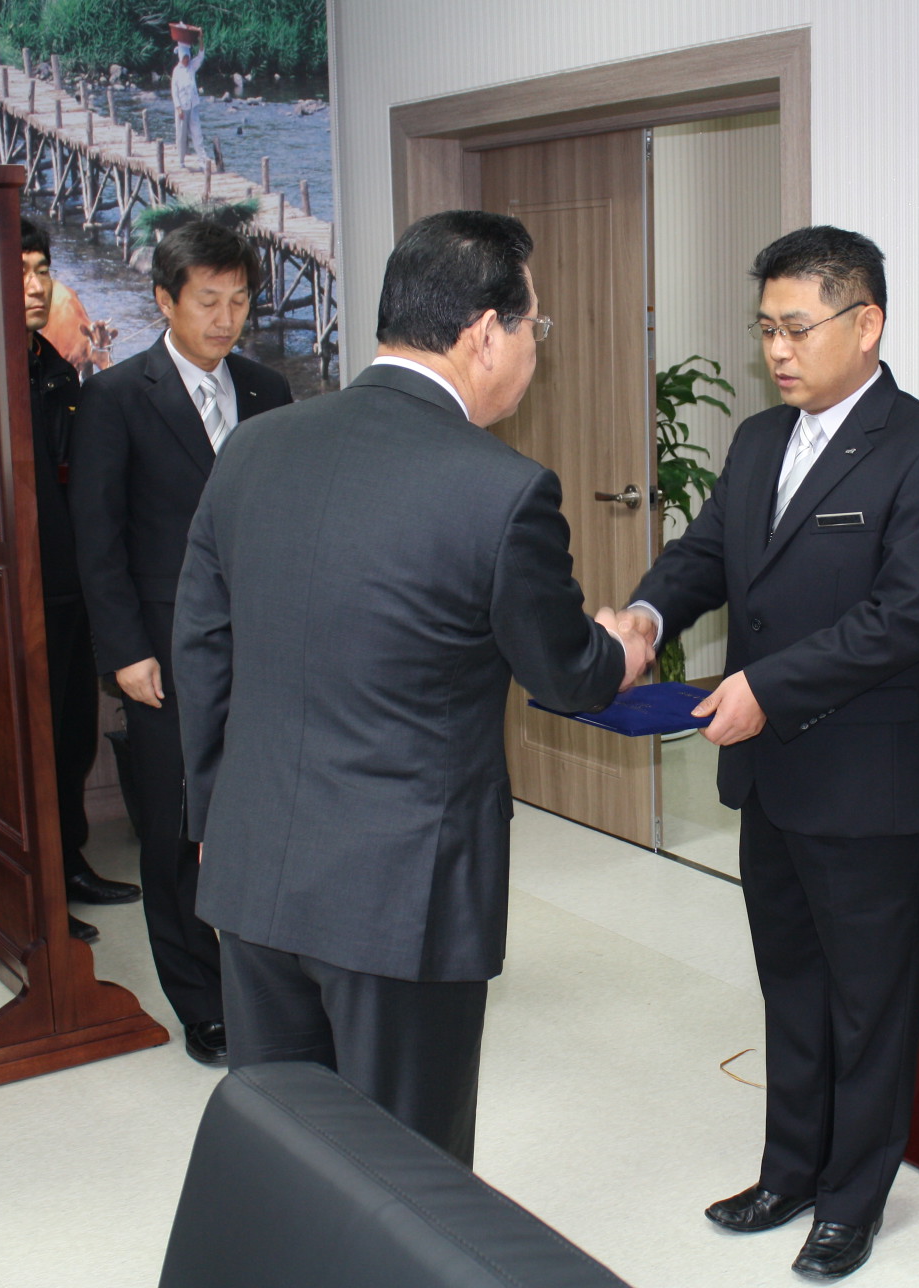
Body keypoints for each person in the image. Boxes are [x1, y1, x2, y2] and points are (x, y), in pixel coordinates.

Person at [172, 210, 648, 1165]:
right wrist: (622, 648)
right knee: (407, 1171)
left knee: (286, 1151)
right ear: (484, 334)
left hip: (256, 871)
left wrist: (216, 817)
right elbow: (565, 674)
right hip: (400, 895)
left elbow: (202, 649)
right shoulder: (502, 489)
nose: (536, 350)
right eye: (535, 327)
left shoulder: (254, 449)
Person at [619, 227, 919, 1280]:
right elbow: (705, 555)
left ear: (866, 324)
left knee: (871, 1003)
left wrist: (765, 690)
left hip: (870, 784)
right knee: (791, 987)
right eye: (765, 329)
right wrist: (647, 615)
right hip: (773, 780)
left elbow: (901, 620)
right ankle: (788, 1172)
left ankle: (851, 1203)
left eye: (795, 328)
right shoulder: (758, 441)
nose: (776, 350)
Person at [68, 222, 292, 1065]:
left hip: (265, 648)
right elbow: (98, 540)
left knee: (266, 818)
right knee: (175, 828)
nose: (226, 319)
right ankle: (201, 999)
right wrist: (125, 651)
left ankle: (272, 985)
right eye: (208, 301)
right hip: (163, 651)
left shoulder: (269, 390)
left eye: (239, 300)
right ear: (165, 300)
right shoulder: (117, 397)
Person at [20, 219, 142, 946]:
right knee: (28, 744)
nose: (36, 287)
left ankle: (69, 863)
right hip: (13, 591)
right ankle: (34, 889)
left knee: (69, 736)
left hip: (66, 585)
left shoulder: (53, 367)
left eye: (43, 270)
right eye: (20, 271)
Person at [171, 40, 207, 171]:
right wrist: (178, 107)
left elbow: (201, 56)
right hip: (182, 108)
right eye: (184, 58)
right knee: (181, 135)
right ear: (180, 57)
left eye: (188, 57)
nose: (186, 60)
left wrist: (200, 39)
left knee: (197, 132)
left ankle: (202, 160)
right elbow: (174, 91)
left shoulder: (192, 66)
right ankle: (181, 160)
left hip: (193, 105)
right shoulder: (176, 71)